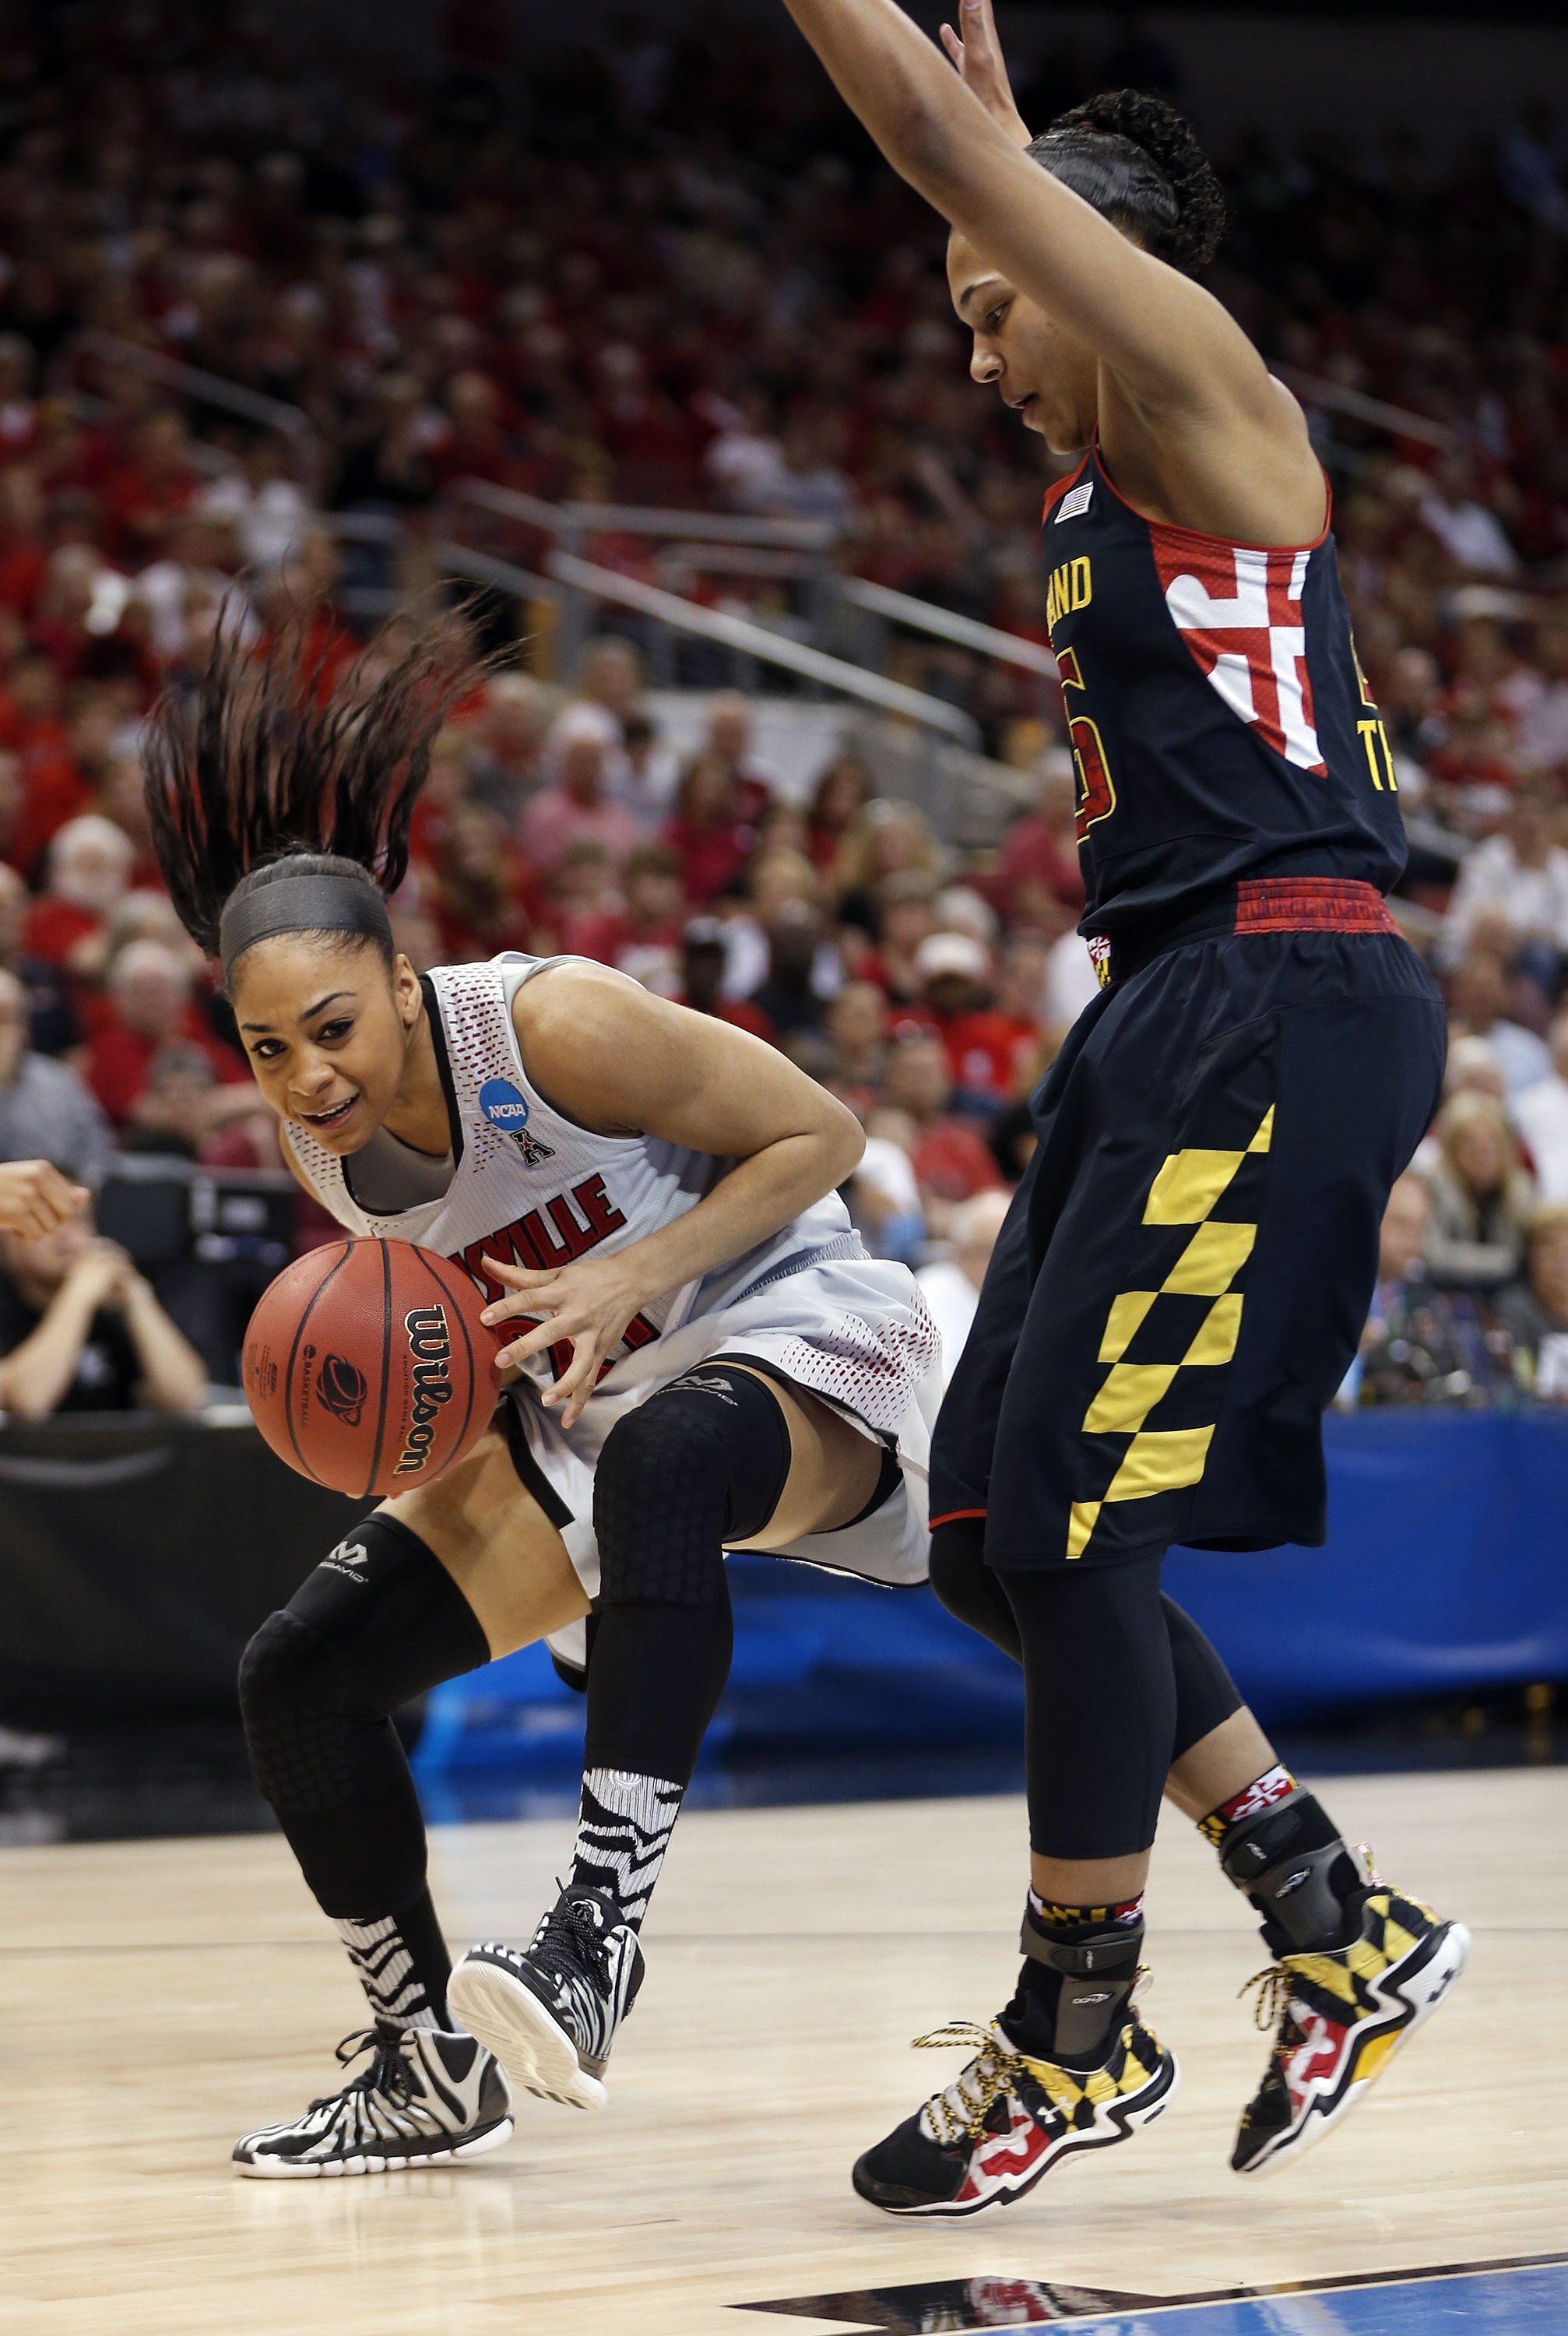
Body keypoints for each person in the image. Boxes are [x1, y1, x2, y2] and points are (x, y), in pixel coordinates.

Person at [775, 0, 1467, 2217]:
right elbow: (991, 185)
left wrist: (957, 142)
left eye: (994, 301)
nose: (974, 350)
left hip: (1275, 992)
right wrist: (1003, 162)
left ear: (1088, 271)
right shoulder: (1104, 453)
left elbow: (918, 136)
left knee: (1077, 1531)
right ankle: (1328, 1918)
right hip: (1175, 1002)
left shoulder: (1205, 404)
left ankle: (1070, 2032)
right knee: (982, 1531)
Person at [141, 612, 939, 2176]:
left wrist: (638, 1275)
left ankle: (598, 1929)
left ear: (398, 971)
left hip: (792, 1323)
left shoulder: (550, 1023)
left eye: (333, 1028)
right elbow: (458, 1306)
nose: (306, 1075)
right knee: (299, 1671)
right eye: (265, 1046)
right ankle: (423, 2058)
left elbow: (825, 1137)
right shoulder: (324, 1143)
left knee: (667, 1458)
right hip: (598, 1396)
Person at [0, 1187, 206, 1415]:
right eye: (46, 1220)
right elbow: (25, 1401)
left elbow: (187, 1399)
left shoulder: (110, 1307)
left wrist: (137, 1297)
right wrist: (78, 1295)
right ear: (8, 1235)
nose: (65, 1235)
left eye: (77, 1220)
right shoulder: (14, 1304)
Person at [0, 967, 111, 1187]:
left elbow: (96, 1151)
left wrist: (77, 1196)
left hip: (52, 1209)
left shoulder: (59, 1081)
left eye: (5, 1019)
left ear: (25, 1027)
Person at [1419, 1089, 1535, 1294]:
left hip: (1504, 1295)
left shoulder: (1520, 1191)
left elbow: (1531, 1256)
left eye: (1492, 1142)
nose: (1482, 1152)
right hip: (1443, 1291)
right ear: (1450, 1149)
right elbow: (1433, 1257)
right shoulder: (1431, 1186)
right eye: (1469, 1142)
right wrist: (1506, 1262)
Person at [917, 1187, 1013, 1386]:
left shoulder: (1023, 1295)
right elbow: (935, 1383)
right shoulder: (932, 1289)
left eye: (1012, 1250)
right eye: (990, 1250)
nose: (1004, 1262)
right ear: (963, 1251)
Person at [1494, 1204, 1568, 1398]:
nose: (1561, 1257)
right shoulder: (1513, 1312)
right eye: (1549, 1245)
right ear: (1529, 1256)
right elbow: (1518, 1383)